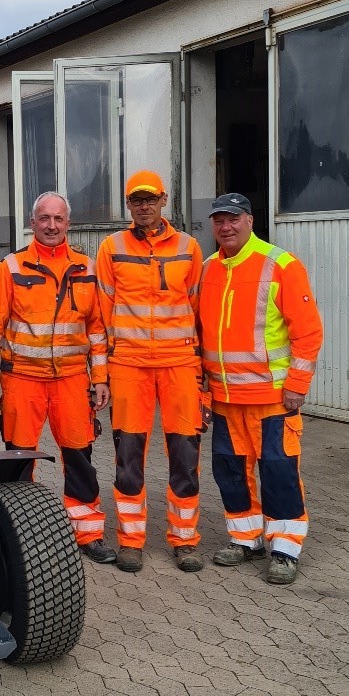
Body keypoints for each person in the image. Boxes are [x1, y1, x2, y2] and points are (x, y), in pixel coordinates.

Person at [0, 192, 114, 560]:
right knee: (18, 461)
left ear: (67, 224)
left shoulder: (86, 268)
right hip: (22, 378)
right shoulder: (11, 267)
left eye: (58, 219)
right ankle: (22, 538)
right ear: (32, 222)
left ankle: (87, 534)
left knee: (79, 457)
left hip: (71, 380)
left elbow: (97, 330)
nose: (51, 226)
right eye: (44, 218)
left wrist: (100, 379)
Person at [198, 192, 323, 586]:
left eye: (234, 219)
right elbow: (201, 337)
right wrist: (204, 393)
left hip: (272, 398)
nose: (226, 226)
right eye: (219, 220)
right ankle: (245, 538)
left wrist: (298, 385)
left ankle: (285, 548)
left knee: (278, 471)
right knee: (231, 472)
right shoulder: (206, 270)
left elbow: (308, 332)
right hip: (225, 399)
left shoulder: (280, 265)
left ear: (250, 221)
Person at [95, 171, 205, 574]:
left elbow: (198, 311)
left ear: (164, 200)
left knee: (185, 454)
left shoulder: (189, 248)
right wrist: (103, 372)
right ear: (128, 205)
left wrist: (200, 370)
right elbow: (102, 315)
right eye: (136, 200)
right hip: (128, 366)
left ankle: (185, 540)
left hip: (179, 365)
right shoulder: (112, 248)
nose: (144, 206)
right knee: (128, 455)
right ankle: (131, 541)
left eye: (150, 199)